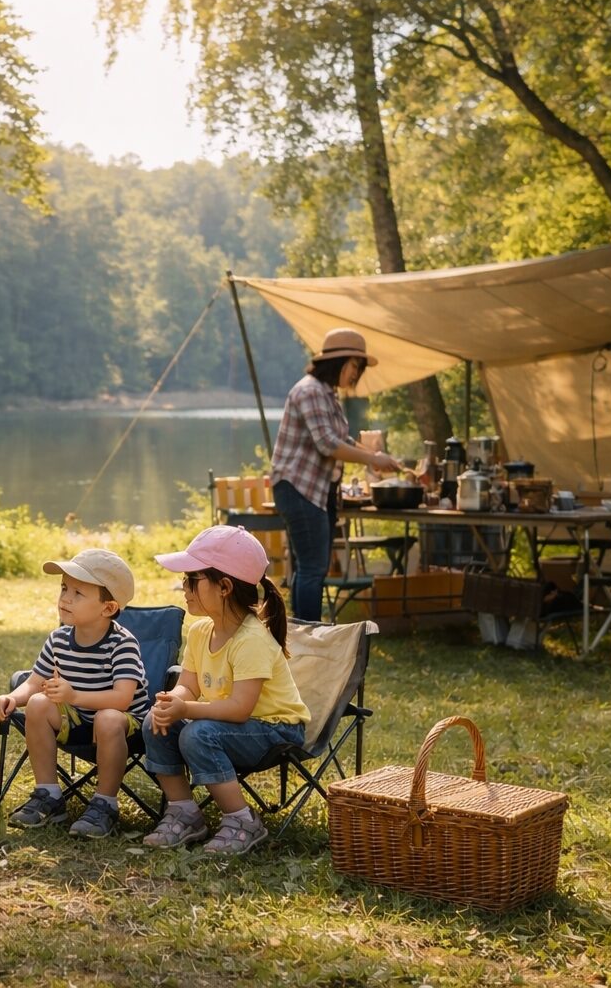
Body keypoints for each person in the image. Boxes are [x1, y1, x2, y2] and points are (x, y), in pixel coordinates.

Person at [142, 526, 310, 855]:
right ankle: (184, 812)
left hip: (276, 730)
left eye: (192, 580)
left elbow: (239, 709)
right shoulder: (202, 631)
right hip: (230, 726)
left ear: (224, 587)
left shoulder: (252, 639)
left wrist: (186, 710)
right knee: (155, 723)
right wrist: (171, 702)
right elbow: (188, 686)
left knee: (197, 734)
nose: (184, 588)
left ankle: (243, 821)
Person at [0, 549, 150, 839]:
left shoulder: (122, 644)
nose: (65, 598)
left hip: (125, 727)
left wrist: (73, 696)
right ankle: (49, 795)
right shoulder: (59, 638)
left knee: (108, 719)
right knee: (38, 703)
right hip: (77, 722)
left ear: (108, 608)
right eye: (64, 588)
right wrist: (14, 697)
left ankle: (105, 804)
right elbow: (35, 681)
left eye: (78, 593)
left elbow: (122, 699)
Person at [271, 327, 403, 622]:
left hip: (318, 491)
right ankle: (308, 635)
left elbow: (339, 438)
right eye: (355, 366)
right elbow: (328, 444)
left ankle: (300, 633)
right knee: (312, 568)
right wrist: (371, 457)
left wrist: (376, 458)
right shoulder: (309, 391)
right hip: (298, 489)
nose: (357, 374)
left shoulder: (327, 394)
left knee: (310, 567)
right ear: (338, 362)